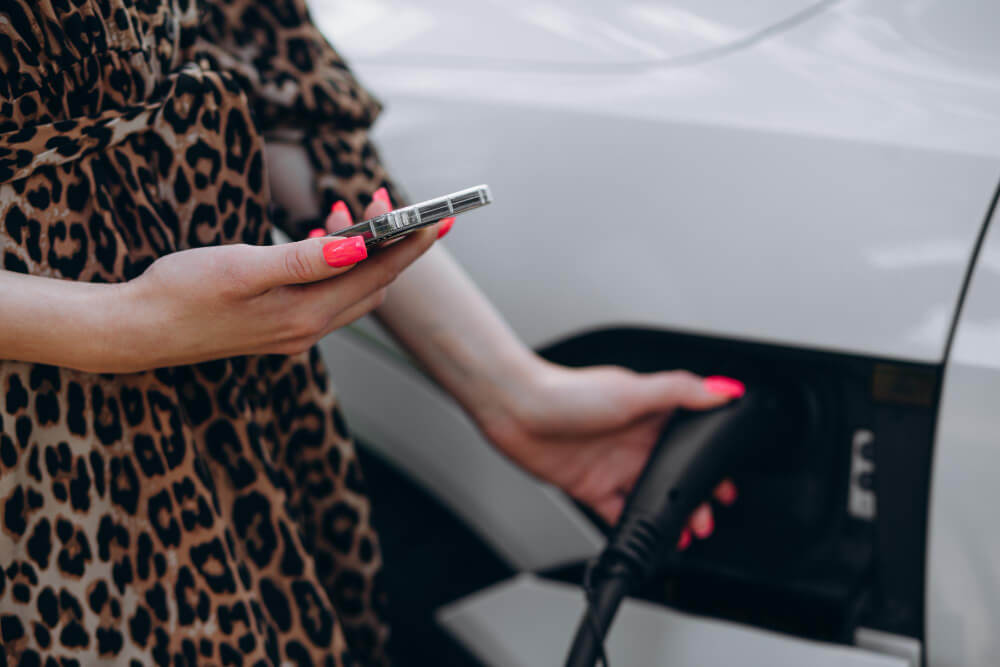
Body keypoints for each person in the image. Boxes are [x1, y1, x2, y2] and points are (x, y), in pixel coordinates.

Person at [0, 1, 744, 664]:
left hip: (222, 417)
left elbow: (268, 75)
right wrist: (114, 327)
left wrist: (512, 392)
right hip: (31, 478)